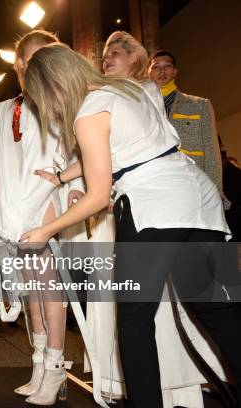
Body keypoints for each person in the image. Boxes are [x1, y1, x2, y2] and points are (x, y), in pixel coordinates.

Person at [23, 42, 241, 408]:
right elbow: (129, 151)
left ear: (52, 85)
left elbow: (96, 195)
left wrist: (44, 231)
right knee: (214, 309)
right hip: (196, 201)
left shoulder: (89, 114)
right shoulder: (128, 89)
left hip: (153, 208)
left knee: (134, 321)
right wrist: (61, 177)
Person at [100, 31, 229, 406]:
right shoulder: (140, 95)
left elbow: (209, 152)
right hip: (187, 203)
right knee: (211, 307)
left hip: (164, 204)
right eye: (105, 54)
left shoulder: (138, 96)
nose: (107, 58)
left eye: (117, 53)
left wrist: (220, 197)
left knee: (134, 315)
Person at [0, 29, 83, 406]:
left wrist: (74, 185)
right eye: (34, 58)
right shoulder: (8, 108)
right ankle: (39, 363)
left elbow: (78, 145)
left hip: (46, 198)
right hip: (14, 204)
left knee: (49, 287)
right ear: (20, 63)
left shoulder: (61, 101)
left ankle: (56, 365)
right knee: (32, 291)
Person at [147, 50, 227, 205]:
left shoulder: (200, 105)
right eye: (156, 66)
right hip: (155, 187)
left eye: (167, 66)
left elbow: (211, 151)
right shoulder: (140, 108)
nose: (162, 71)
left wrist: (216, 192)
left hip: (194, 186)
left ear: (175, 72)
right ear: (148, 72)